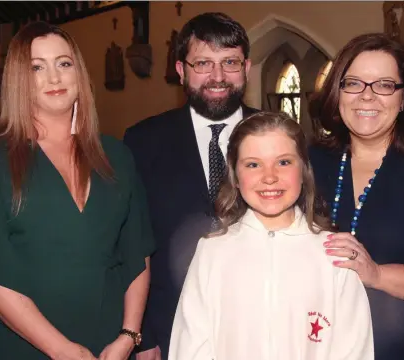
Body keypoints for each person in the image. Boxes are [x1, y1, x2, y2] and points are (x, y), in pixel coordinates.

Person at [0, 21, 155, 360]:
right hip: (26, 346)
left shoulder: (117, 155)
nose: (54, 78)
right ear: (18, 80)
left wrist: (128, 335)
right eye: (37, 67)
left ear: (79, 74)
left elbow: (137, 254)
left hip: (109, 347)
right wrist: (63, 350)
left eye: (63, 64)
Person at [168, 111, 374, 360]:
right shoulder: (213, 252)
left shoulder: (334, 256)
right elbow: (190, 348)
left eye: (284, 162)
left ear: (304, 170)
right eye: (253, 164)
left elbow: (354, 350)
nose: (269, 177)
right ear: (235, 177)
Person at [123, 12, 258, 360]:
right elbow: (131, 242)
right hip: (169, 329)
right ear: (181, 71)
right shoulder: (142, 142)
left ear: (247, 68)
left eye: (230, 62)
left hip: (260, 324)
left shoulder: (277, 136)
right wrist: (143, 333)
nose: (217, 77)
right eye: (203, 63)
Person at [308, 33, 404, 360]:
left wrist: (378, 275)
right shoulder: (306, 163)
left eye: (384, 85)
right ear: (337, 92)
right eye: (353, 83)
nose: (366, 97)